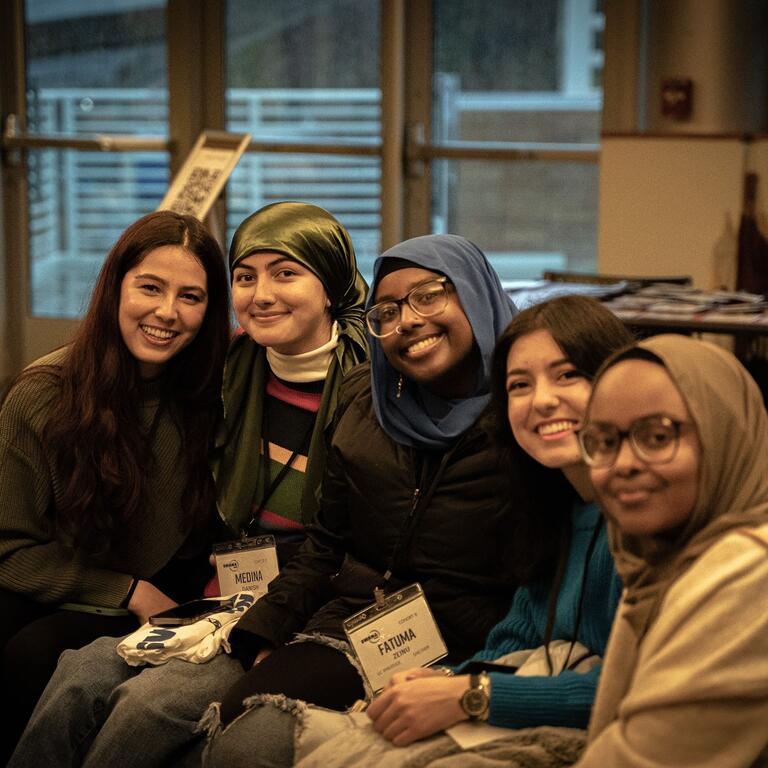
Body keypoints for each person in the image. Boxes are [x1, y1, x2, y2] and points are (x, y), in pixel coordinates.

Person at [9, 201, 369, 768]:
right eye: (246, 277)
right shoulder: (233, 373)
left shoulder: (354, 389)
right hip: (184, 590)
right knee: (72, 674)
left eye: (286, 273)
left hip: (279, 600)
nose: (167, 312)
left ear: (333, 287)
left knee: (142, 705)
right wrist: (134, 593)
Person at [191, 233, 521, 767]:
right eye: (387, 311)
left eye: (429, 296)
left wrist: (486, 679)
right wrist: (265, 631)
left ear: (475, 294)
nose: (407, 321)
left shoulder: (523, 414)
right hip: (360, 626)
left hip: (474, 646)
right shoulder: (366, 399)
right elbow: (327, 543)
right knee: (245, 722)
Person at [290, 295, 633, 768]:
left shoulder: (641, 521)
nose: (543, 400)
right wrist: (447, 682)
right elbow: (518, 638)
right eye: (520, 385)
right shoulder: (553, 504)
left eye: (567, 375)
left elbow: (644, 686)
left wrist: (472, 694)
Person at [0, 209, 231, 760]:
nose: (167, 312)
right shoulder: (43, 393)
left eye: (191, 297)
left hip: (177, 588)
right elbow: (9, 547)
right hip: (71, 578)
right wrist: (128, 590)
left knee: (36, 655)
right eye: (150, 287)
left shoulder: (216, 391)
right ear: (115, 289)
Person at [573, 334, 768, 768]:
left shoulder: (751, 574)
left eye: (658, 436)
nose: (624, 463)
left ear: (724, 434)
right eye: (603, 441)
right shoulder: (658, 557)